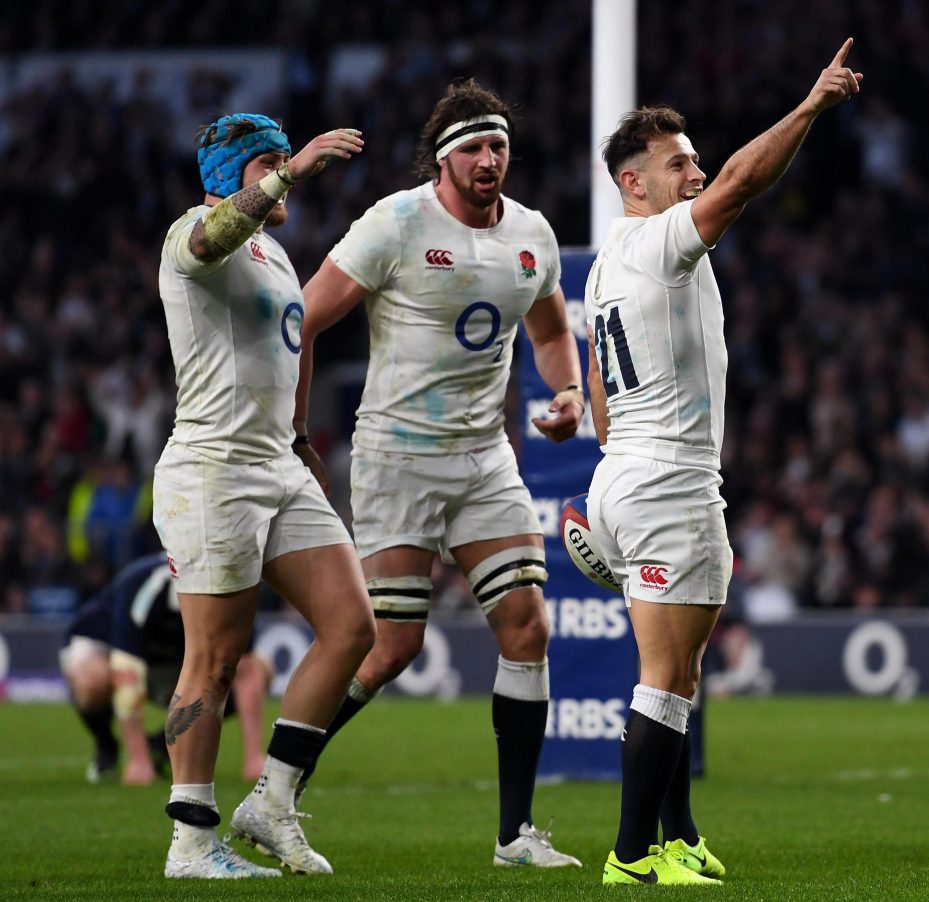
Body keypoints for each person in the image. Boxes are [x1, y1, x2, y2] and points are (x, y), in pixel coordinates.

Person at [584, 41, 863, 886]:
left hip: (623, 475)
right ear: (634, 183)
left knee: (677, 673)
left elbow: (599, 390)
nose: (698, 173)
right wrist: (811, 105)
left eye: (696, 159)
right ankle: (630, 857)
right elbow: (746, 182)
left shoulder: (601, 268)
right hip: (670, 481)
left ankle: (678, 836)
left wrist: (621, 477)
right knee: (666, 683)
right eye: (679, 163)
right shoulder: (661, 241)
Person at [294, 79, 584, 868]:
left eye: (498, 147)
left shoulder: (532, 233)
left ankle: (515, 836)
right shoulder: (394, 222)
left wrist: (564, 391)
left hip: (484, 457)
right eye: (473, 149)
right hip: (398, 456)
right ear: (443, 159)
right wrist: (294, 428)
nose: (489, 160)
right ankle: (278, 791)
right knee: (390, 648)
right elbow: (307, 317)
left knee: (527, 629)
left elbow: (552, 331)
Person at [154, 113, 376, 879]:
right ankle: (190, 842)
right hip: (213, 468)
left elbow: (291, 349)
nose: (286, 172)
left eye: (286, 159)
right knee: (214, 659)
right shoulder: (194, 232)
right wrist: (294, 168)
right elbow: (212, 238)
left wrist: (303, 439)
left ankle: (272, 803)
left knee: (353, 626)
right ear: (233, 175)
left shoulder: (275, 254)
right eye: (268, 163)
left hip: (277, 462)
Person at [60, 551, 273, 786]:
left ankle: (160, 745)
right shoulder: (146, 585)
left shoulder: (232, 590)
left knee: (263, 669)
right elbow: (126, 671)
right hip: (107, 647)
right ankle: (106, 744)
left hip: (170, 657)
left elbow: (247, 671)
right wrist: (138, 761)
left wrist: (255, 758)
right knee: (91, 679)